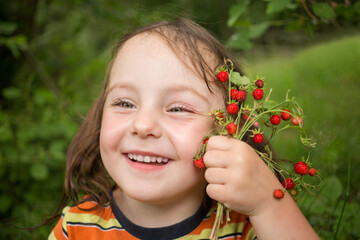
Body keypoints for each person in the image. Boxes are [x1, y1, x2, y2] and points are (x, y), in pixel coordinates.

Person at [48, 17, 320, 240]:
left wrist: (268, 205)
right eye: (124, 103)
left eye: (178, 108)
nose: (142, 126)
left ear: (228, 132)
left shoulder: (245, 226)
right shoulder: (77, 227)